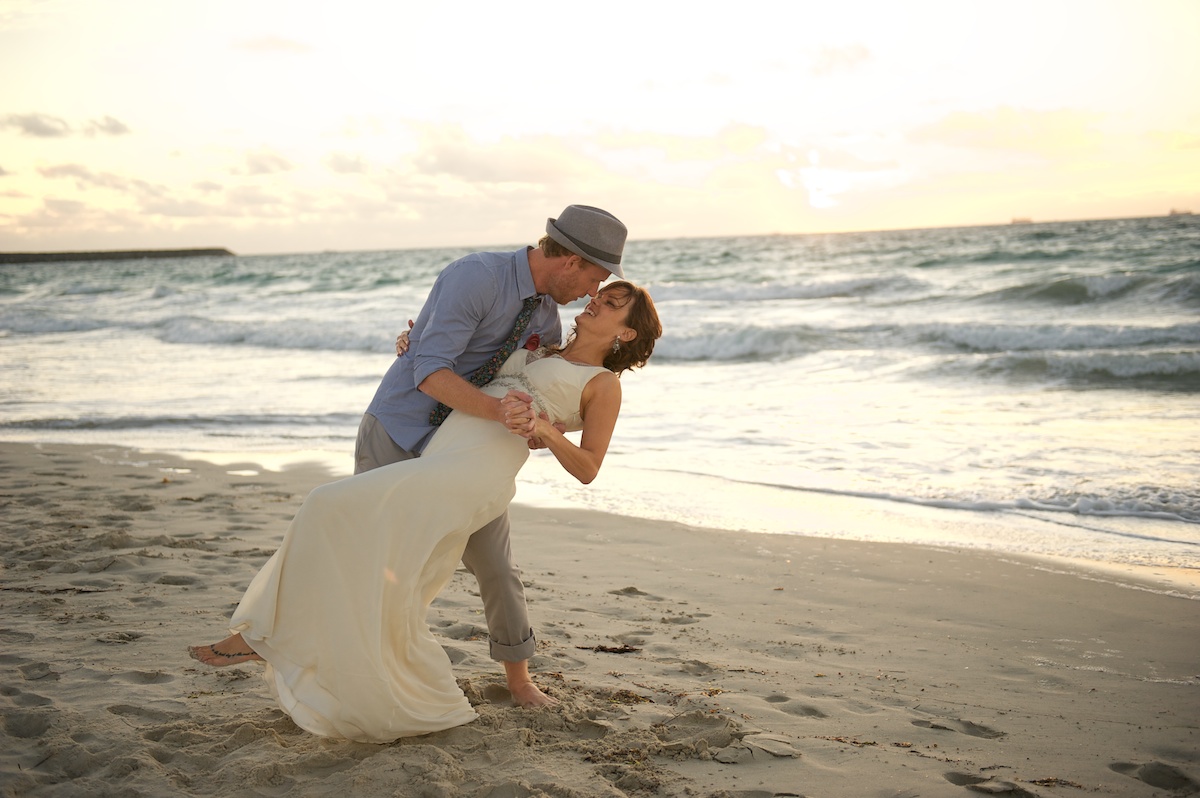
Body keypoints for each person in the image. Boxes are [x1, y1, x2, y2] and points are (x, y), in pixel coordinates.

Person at [188, 280, 663, 743]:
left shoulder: (603, 385)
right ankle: (315, 652)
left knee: (327, 504)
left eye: (612, 302)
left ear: (626, 333)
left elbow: (589, 467)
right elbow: (470, 358)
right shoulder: (545, 348)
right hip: (443, 451)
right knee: (388, 564)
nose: (596, 300)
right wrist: (418, 342)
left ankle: (261, 636)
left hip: (477, 470)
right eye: (600, 294)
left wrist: (549, 431)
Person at [352, 205, 628, 709]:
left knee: (497, 566)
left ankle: (519, 681)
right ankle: (363, 667)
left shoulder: (545, 320)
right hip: (399, 429)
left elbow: (539, 389)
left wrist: (536, 424)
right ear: (571, 262)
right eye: (594, 277)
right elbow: (431, 372)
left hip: (467, 452)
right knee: (381, 559)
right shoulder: (475, 276)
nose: (593, 292)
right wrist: (498, 410)